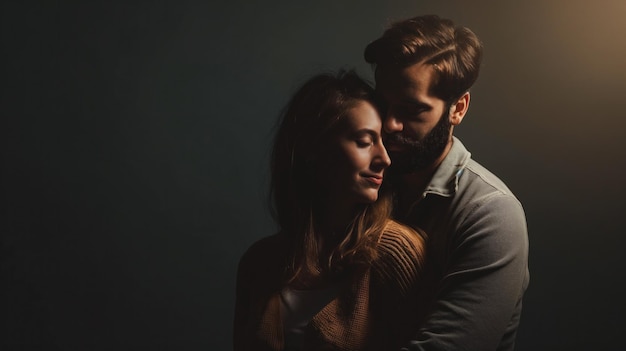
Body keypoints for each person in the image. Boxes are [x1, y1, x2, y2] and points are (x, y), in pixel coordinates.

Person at [364, 15, 530, 350]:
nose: (390, 124)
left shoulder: (492, 215)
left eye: (412, 110)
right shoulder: (362, 181)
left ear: (458, 109)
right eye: (383, 105)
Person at [233, 71, 427, 350]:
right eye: (364, 141)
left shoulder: (397, 253)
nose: (384, 158)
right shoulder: (258, 264)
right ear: (315, 149)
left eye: (383, 141)